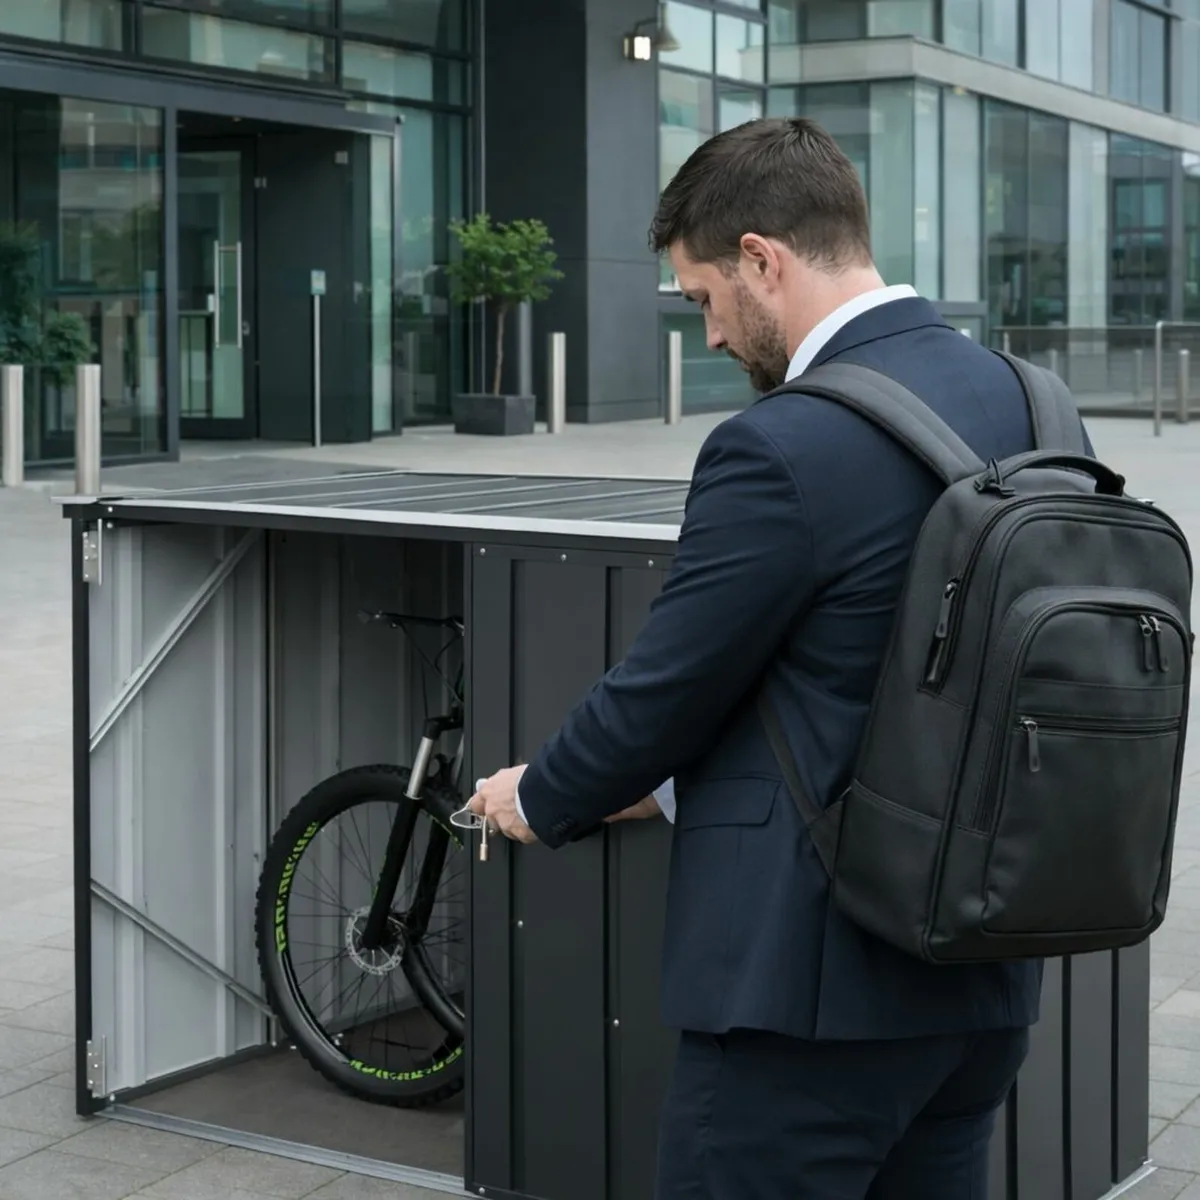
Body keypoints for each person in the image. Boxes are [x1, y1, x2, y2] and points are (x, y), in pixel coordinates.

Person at [468, 116, 1042, 1198]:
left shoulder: (780, 443)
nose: (713, 337)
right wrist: (665, 794)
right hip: (985, 976)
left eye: (703, 299)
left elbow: (666, 688)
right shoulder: (1031, 401)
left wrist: (539, 795)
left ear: (761, 260)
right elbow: (877, 669)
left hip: (807, 1001)